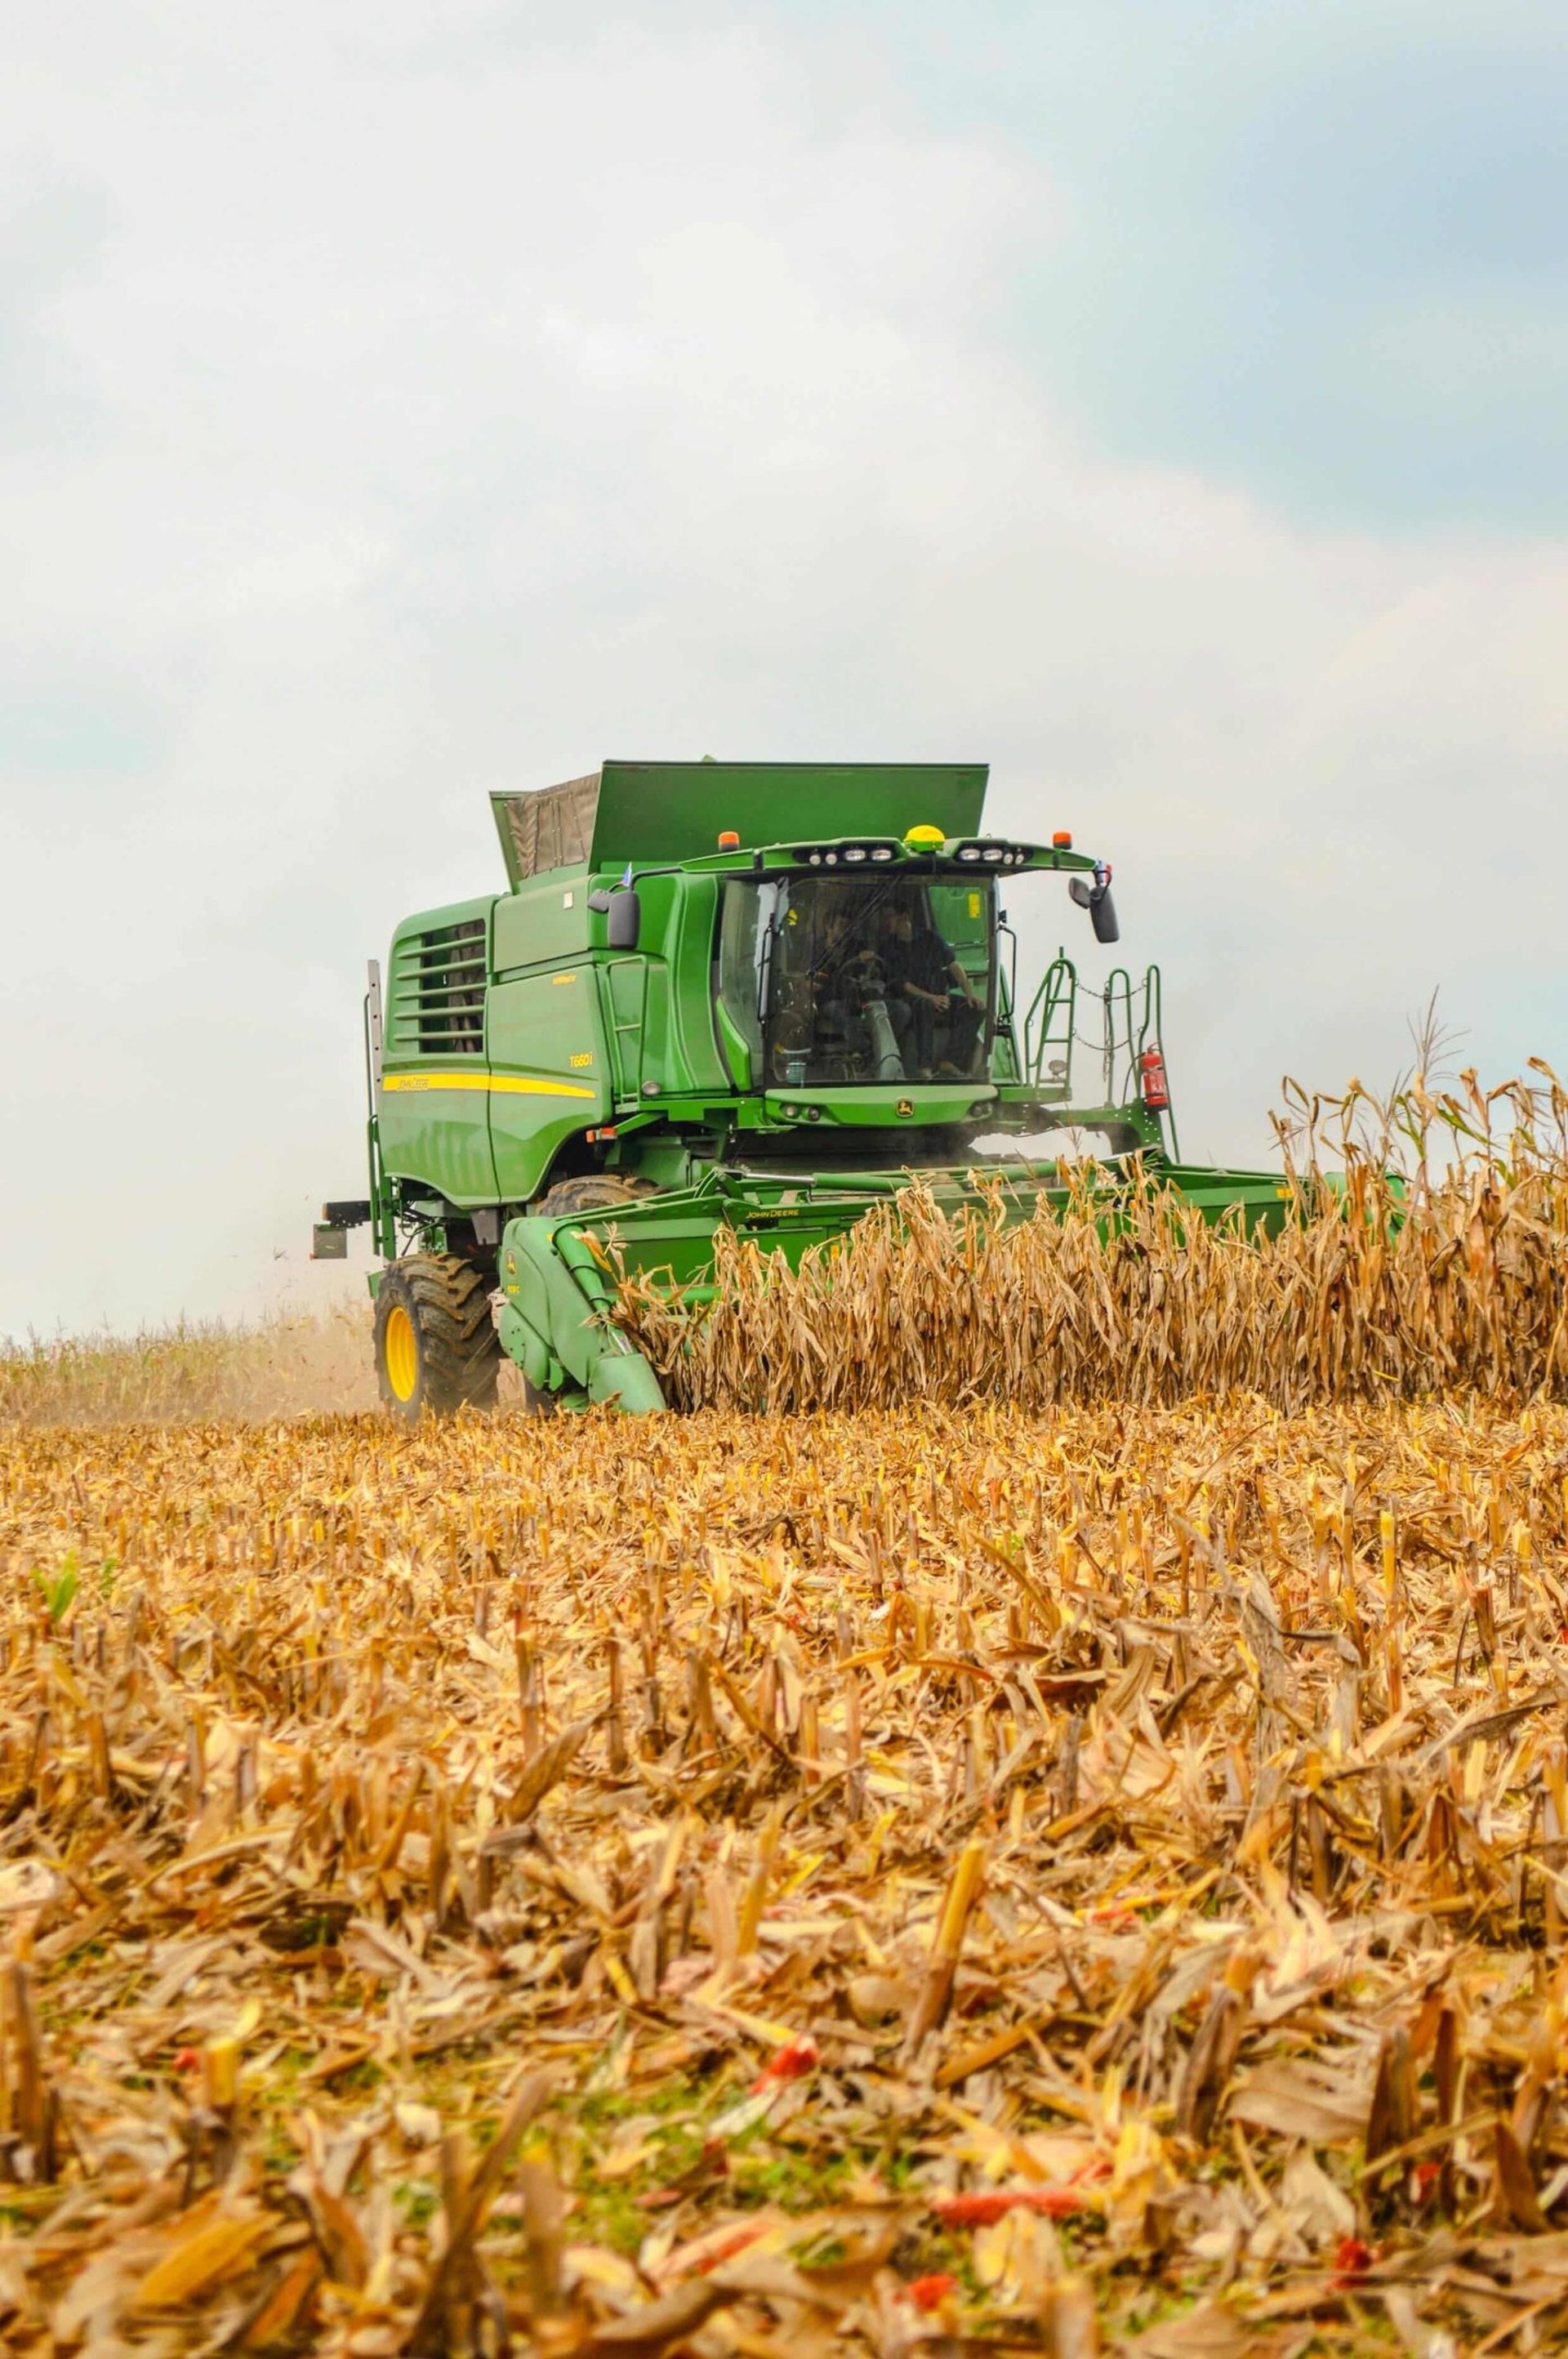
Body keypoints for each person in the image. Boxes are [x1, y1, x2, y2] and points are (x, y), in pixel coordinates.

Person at [881, 903, 984, 1075]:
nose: (885, 922)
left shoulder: (930, 938)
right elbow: (904, 984)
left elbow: (953, 964)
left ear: (904, 917)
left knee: (974, 1010)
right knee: (924, 1006)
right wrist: (931, 998)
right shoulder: (889, 948)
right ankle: (925, 1067)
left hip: (939, 997)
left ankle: (950, 1061)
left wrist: (970, 994)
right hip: (911, 999)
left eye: (889, 917)